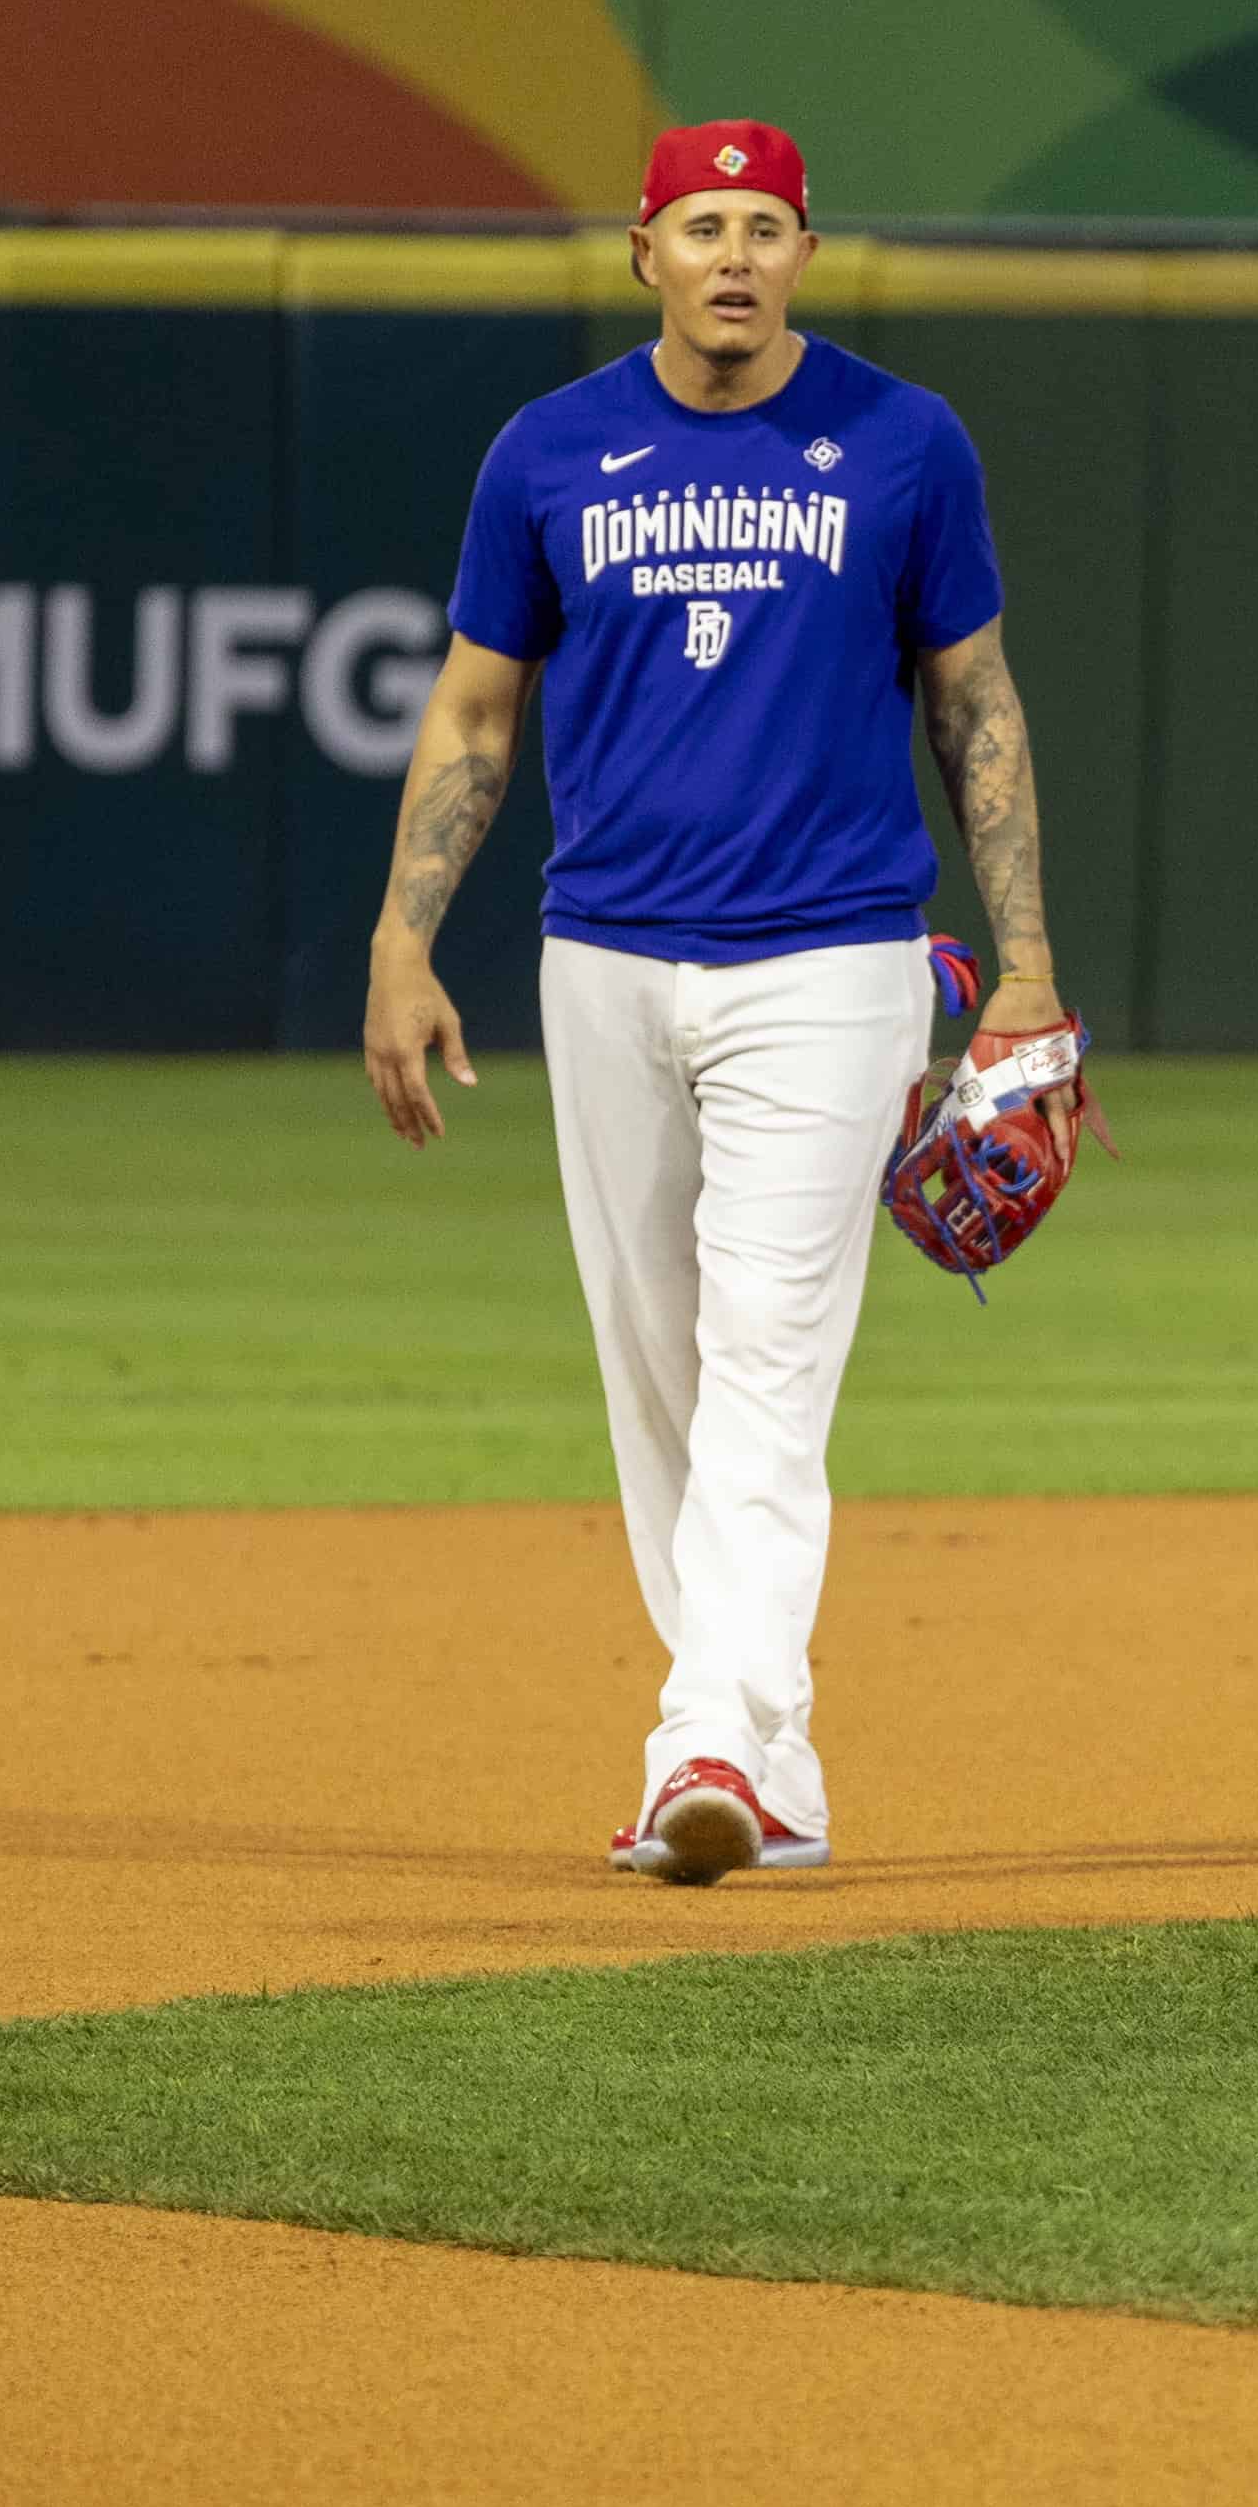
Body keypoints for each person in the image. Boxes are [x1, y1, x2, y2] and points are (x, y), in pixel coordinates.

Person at [359, 119, 1085, 1879]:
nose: (737, 253)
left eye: (768, 224)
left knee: (769, 1349)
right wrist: (400, 937)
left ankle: (704, 1746)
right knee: (661, 1372)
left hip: (833, 957)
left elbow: (973, 707)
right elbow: (471, 716)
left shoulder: (904, 443)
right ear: (645, 254)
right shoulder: (549, 453)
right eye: (705, 224)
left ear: (805, 254)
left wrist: (1028, 968)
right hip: (600, 952)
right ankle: (775, 1747)